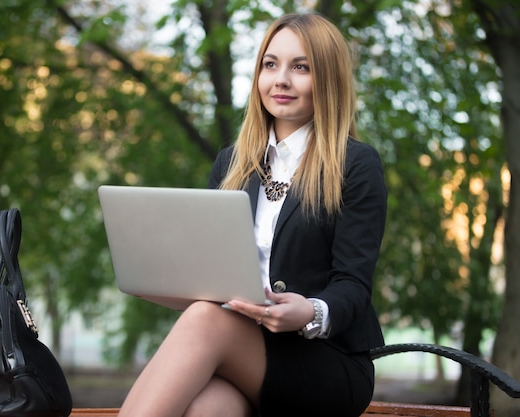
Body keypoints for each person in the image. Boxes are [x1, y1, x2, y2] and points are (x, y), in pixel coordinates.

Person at [117, 12, 387, 417]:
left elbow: (353, 285)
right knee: (209, 409)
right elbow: (209, 275)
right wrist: (163, 280)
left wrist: (311, 311)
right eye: (270, 64)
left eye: (301, 67)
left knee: (204, 319)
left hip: (325, 360)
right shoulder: (232, 163)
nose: (281, 79)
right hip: (241, 352)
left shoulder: (355, 164)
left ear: (328, 79)